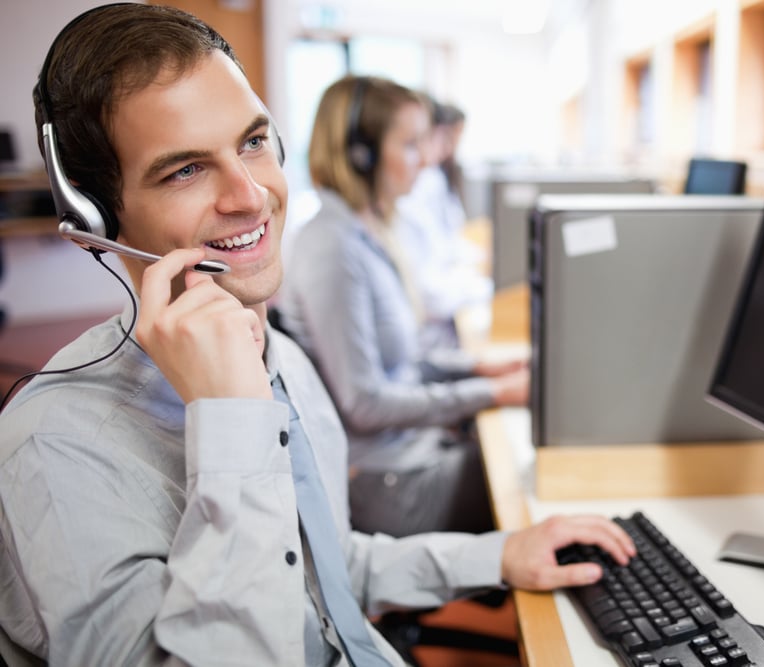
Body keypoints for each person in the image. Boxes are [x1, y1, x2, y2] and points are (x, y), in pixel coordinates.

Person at [0, 5, 634, 666]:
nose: (251, 195)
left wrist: (498, 554)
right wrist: (232, 424)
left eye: (253, 142)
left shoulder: (284, 360)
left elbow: (321, 569)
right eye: (184, 170)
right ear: (96, 217)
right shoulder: (54, 451)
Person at [279, 77, 523, 538]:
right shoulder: (332, 247)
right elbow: (365, 403)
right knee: (520, 478)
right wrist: (492, 393)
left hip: (412, 452)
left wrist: (481, 370)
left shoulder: (367, 231)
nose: (427, 159)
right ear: (361, 155)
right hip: (387, 483)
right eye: (411, 145)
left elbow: (405, 363)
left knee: (513, 449)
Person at [395, 99, 491, 351]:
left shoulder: (434, 179)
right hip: (428, 339)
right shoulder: (410, 196)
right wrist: (485, 288)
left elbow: (445, 246)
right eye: (412, 143)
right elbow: (430, 294)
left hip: (435, 331)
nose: (426, 157)